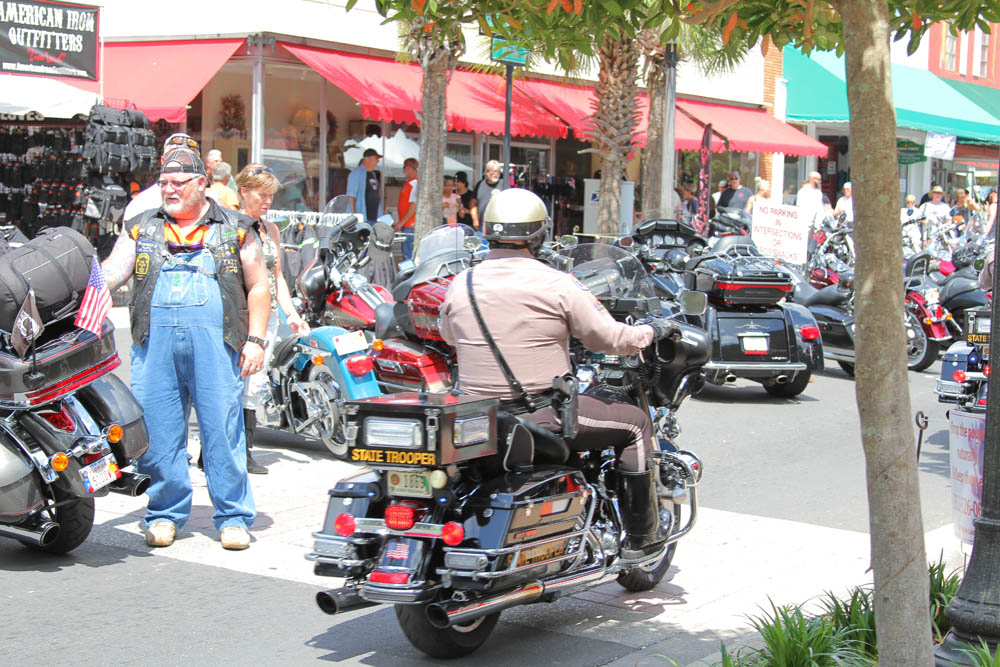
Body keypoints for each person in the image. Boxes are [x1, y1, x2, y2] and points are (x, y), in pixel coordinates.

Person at [439, 188, 680, 558]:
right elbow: (607, 338)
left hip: (476, 418)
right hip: (541, 416)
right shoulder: (557, 283)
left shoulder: (461, 284)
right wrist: (651, 332)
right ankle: (642, 537)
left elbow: (449, 336)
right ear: (539, 235)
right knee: (636, 426)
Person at [101, 148, 270, 551]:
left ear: (201, 184)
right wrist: (82, 282)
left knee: (222, 432)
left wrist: (256, 340)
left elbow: (259, 285)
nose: (169, 190)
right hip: (154, 346)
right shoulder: (142, 228)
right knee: (159, 436)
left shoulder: (235, 228)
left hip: (218, 345)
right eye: (164, 184)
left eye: (178, 183)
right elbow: (111, 272)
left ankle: (232, 517)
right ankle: (163, 514)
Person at [235, 164, 311, 474]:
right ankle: (229, 449)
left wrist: (292, 314)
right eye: (262, 195)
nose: (268, 201)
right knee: (232, 382)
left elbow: (276, 275)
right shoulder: (230, 225)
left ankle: (243, 449)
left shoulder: (271, 229)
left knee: (253, 382)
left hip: (265, 317)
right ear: (243, 192)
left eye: (271, 195)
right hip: (237, 314)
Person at [124, 133, 200, 221]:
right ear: (163, 162)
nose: (181, 165)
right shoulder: (142, 204)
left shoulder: (208, 206)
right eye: (176, 159)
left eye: (188, 160)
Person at [346, 148, 382, 223]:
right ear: (368, 159)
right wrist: (352, 216)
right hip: (363, 218)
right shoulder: (356, 174)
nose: (378, 161)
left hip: (374, 218)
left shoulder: (373, 174)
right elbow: (351, 196)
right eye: (376, 158)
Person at [395, 157, 418, 261]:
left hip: (410, 225)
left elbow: (414, 205)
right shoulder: (409, 183)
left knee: (408, 256)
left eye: (404, 168)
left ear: (408, 168)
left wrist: (401, 222)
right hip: (407, 224)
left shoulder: (415, 183)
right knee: (407, 254)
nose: (403, 171)